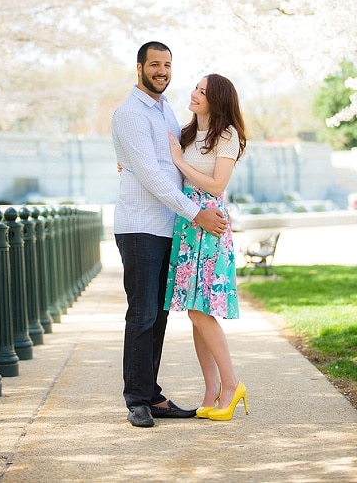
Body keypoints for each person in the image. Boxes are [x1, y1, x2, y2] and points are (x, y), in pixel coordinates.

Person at [112, 41, 228, 428]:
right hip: (141, 226)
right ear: (140, 67)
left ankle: (152, 394)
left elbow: (177, 162)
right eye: (155, 65)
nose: (162, 71)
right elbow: (152, 175)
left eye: (167, 65)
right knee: (142, 314)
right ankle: (137, 400)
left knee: (158, 316)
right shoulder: (130, 113)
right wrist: (198, 215)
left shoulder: (165, 111)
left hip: (167, 227)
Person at [165, 73, 249, 422]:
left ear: (216, 100)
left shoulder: (226, 135)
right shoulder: (185, 134)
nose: (195, 93)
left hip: (210, 227)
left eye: (203, 91)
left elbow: (217, 185)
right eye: (196, 88)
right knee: (194, 312)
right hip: (187, 226)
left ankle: (231, 385)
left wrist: (180, 162)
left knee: (202, 311)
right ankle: (211, 388)